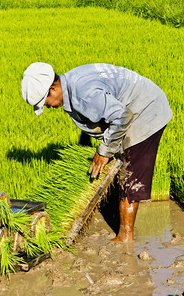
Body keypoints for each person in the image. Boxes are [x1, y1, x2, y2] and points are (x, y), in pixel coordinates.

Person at [21, 62, 173, 242]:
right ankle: (118, 212)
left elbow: (123, 116)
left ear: (53, 88)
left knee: (130, 174)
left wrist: (104, 152)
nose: (47, 106)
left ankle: (125, 236)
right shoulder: (70, 83)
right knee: (118, 159)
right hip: (131, 107)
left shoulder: (84, 93)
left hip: (146, 110)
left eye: (44, 102)